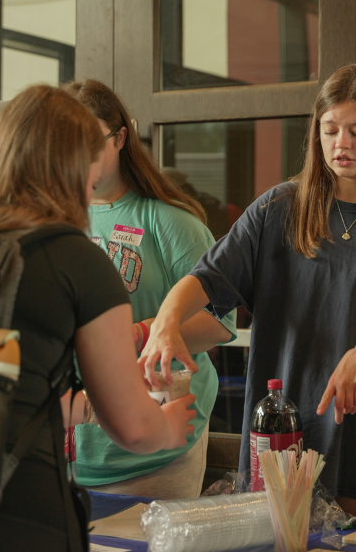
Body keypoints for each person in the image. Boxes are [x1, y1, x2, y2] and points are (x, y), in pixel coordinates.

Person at [140, 63, 356, 522]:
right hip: (281, 424)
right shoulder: (279, 208)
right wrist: (165, 323)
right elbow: (204, 279)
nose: (341, 144)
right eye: (330, 129)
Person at [0, 85, 196, 552]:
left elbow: (10, 381)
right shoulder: (76, 260)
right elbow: (131, 424)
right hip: (21, 512)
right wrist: (168, 427)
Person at [65, 79, 236, 499]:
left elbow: (220, 321)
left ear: (121, 137)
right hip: (75, 445)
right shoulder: (57, 220)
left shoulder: (171, 222)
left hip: (157, 449)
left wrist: (143, 333)